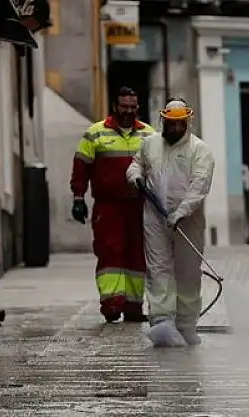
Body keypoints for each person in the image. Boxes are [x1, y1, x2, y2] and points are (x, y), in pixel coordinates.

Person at [126, 98, 215, 347]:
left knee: (188, 272)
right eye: (171, 123)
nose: (175, 128)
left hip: (188, 221)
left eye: (180, 124)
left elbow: (200, 185)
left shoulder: (200, 150)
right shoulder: (150, 144)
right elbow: (136, 164)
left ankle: (186, 324)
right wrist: (134, 176)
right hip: (155, 217)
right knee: (158, 269)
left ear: (187, 122)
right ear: (163, 121)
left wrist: (181, 212)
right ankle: (162, 320)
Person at [70, 87, 155, 323]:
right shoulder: (95, 133)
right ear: (115, 107)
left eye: (133, 107)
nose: (128, 111)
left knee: (137, 256)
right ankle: (111, 303)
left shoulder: (149, 135)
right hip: (108, 207)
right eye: (124, 107)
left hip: (139, 207)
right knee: (110, 253)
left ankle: (134, 306)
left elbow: (159, 169)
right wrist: (78, 197)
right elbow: (81, 166)